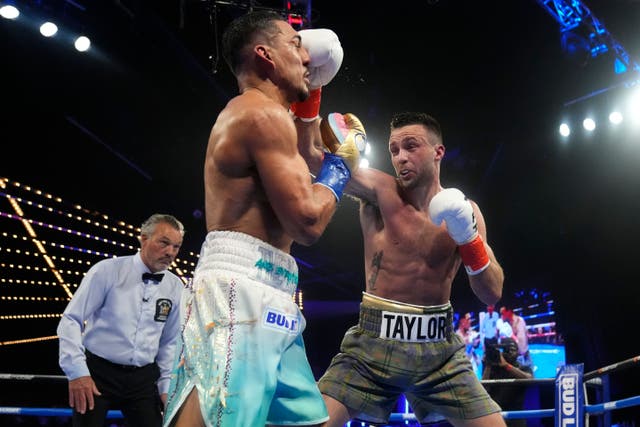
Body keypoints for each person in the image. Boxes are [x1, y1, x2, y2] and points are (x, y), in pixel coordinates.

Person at [161, 10, 361, 427]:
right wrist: (341, 167)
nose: (306, 57)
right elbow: (307, 221)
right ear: (264, 55)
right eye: (295, 45)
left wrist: (310, 101)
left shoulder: (273, 117)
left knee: (311, 423)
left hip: (274, 288)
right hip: (240, 289)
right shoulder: (259, 114)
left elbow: (303, 162)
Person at [316, 111, 507, 426]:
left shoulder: (465, 211)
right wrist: (313, 109)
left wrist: (469, 240)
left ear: (438, 152)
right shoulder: (380, 189)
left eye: (411, 146)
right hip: (371, 346)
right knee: (316, 423)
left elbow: (492, 293)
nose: (400, 157)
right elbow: (313, 161)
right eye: (394, 150)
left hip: (440, 353)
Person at [57, 213, 185, 427]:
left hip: (143, 379)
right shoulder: (107, 271)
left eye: (176, 246)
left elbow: (169, 342)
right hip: (98, 373)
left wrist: (166, 388)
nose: (170, 252)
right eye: (164, 243)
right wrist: (77, 372)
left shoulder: (175, 286)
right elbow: (71, 319)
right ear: (144, 238)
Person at [482, 337, 533, 427]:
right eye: (508, 350)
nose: (511, 353)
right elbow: (483, 388)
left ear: (517, 352)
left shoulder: (523, 368)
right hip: (495, 415)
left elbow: (529, 379)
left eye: (513, 350)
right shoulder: (492, 368)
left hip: (516, 416)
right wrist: (488, 365)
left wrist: (506, 366)